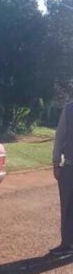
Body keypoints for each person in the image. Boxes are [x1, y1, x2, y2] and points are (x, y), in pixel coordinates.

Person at [51, 101, 73, 255]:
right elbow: (60, 137)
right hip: (69, 167)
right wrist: (56, 163)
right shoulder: (69, 109)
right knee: (67, 208)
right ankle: (67, 244)